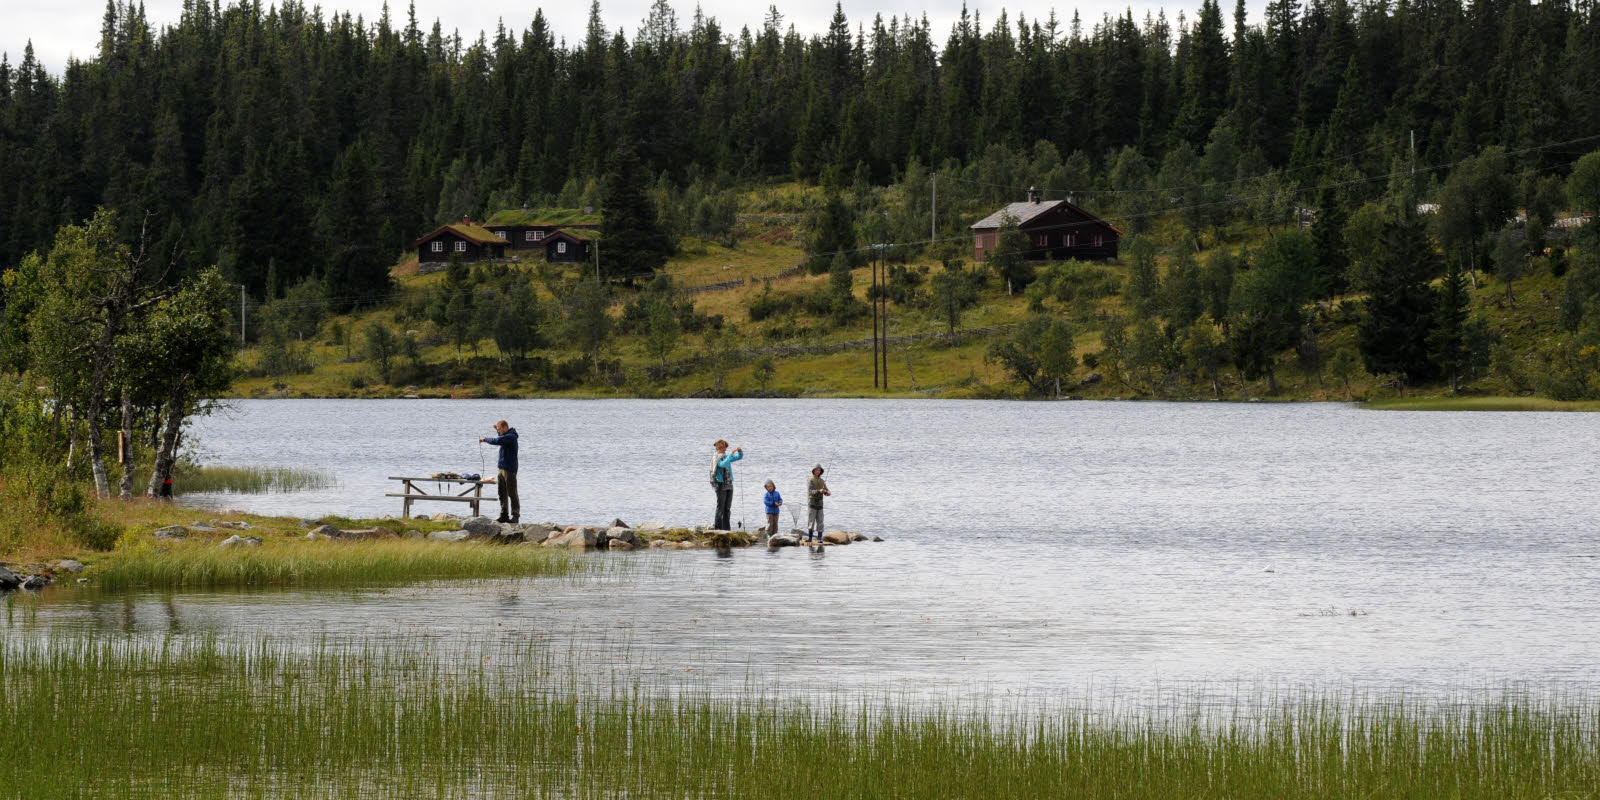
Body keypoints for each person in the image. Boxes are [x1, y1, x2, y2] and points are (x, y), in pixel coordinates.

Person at [480, 420, 520, 523]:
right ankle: (504, 515)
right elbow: (501, 437)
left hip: (509, 469)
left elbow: (498, 441)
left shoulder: (511, 437)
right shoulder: (505, 435)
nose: (499, 432)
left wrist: (484, 439)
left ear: (505, 427)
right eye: (498, 430)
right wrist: (497, 430)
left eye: (499, 429)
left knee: (512, 493)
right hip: (501, 468)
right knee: (502, 493)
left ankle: (515, 516)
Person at [710, 439, 743, 530]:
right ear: (718, 448)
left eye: (725, 447)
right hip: (720, 485)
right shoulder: (716, 457)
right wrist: (731, 455)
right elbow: (723, 464)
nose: (724, 449)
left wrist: (739, 451)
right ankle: (718, 528)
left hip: (729, 484)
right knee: (720, 508)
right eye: (722, 447)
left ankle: (726, 529)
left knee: (727, 508)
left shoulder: (726, 456)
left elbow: (739, 457)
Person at [806, 464, 831, 542]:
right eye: (816, 470)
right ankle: (810, 538)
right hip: (812, 503)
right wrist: (819, 491)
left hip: (820, 503)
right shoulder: (810, 480)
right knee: (811, 521)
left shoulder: (822, 481)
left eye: (819, 470)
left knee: (820, 521)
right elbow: (811, 491)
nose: (818, 471)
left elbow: (826, 490)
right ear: (813, 471)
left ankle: (820, 538)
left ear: (821, 472)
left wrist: (827, 492)